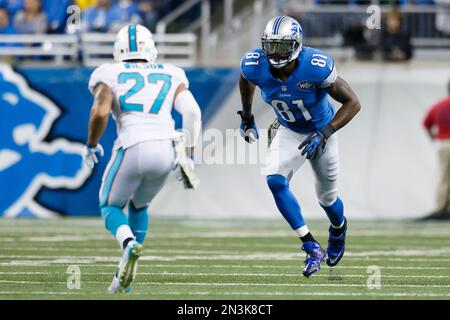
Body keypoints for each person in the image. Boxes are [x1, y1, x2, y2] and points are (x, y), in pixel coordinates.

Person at [238, 16, 361, 277]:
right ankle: (310, 245)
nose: (274, 52)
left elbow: (353, 103)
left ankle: (338, 229)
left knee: (327, 199)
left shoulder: (315, 66)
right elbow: (245, 78)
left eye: (281, 46)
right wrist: (247, 117)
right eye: (269, 46)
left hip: (322, 132)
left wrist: (324, 132)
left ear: (296, 45)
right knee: (274, 180)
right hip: (290, 130)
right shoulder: (254, 64)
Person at [84, 24, 202, 293]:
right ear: (152, 49)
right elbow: (192, 112)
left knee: (109, 206)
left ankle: (128, 245)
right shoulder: (172, 73)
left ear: (118, 50)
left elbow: (101, 112)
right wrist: (191, 153)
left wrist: (91, 144)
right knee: (139, 205)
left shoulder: (108, 72)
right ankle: (124, 278)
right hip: (167, 148)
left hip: (133, 144)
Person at [421, 79, 450, 220]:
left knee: (444, 177)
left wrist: (434, 138)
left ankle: (441, 208)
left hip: (444, 144)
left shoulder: (439, 105)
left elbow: (426, 123)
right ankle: (444, 209)